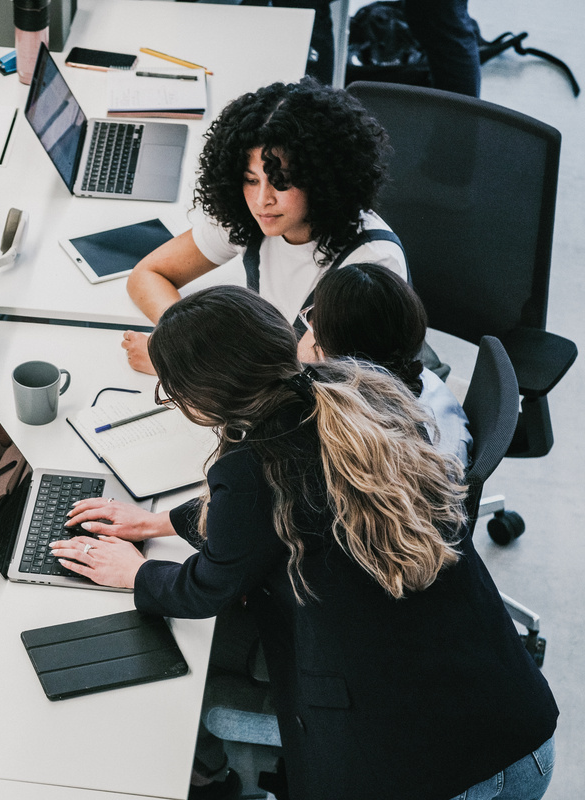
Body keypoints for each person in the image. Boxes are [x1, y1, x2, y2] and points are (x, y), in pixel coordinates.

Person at [54, 286, 557, 800]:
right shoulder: (353, 395)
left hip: (440, 772)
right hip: (515, 723)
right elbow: (265, 515)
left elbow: (208, 588)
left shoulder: (253, 469)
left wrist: (133, 573)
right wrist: (158, 523)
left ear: (203, 396)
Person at [122, 79, 405, 374]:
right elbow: (147, 275)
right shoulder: (252, 217)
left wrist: (179, 361)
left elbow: (300, 387)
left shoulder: (370, 263)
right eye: (251, 179)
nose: (262, 199)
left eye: (281, 181)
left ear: (323, 178)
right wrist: (179, 340)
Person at [302, 261, 471, 465]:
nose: (310, 328)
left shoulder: (366, 442)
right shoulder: (424, 377)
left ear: (345, 356)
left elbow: (302, 354)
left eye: (316, 324)